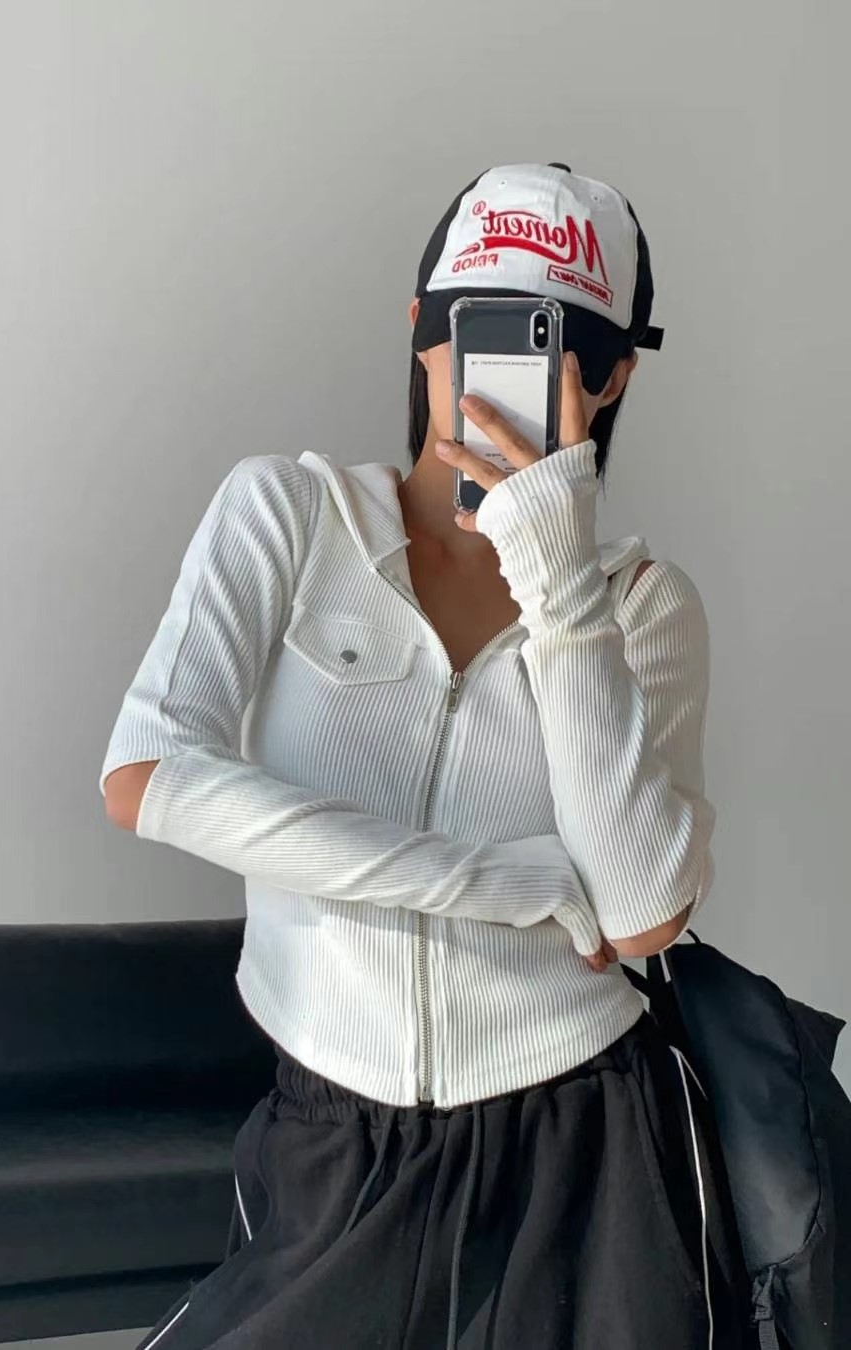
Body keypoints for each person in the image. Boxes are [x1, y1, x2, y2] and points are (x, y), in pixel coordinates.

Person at [100, 163, 754, 1349]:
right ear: (421, 332)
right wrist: (498, 881)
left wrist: (558, 576)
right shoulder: (287, 519)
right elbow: (149, 776)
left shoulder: (641, 605)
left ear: (612, 376)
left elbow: (643, 914)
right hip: (330, 1140)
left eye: (560, 345)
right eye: (474, 327)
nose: (496, 377)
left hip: (586, 1152)